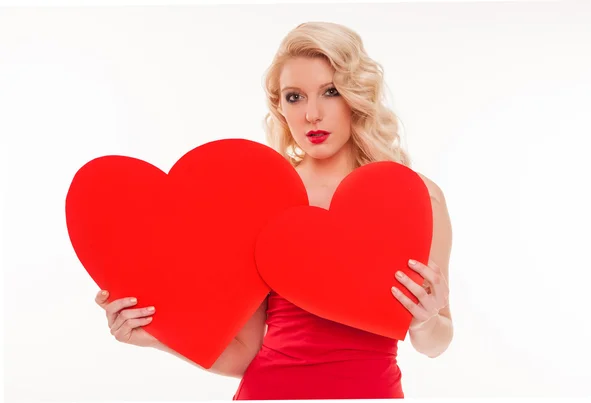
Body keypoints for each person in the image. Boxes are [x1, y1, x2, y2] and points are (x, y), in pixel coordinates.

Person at [94, 21, 454, 399]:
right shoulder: (263, 201)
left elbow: (436, 343)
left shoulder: (416, 200)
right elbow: (243, 354)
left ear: (355, 95)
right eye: (294, 97)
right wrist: (155, 338)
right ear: (279, 107)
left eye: (330, 92)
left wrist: (426, 318)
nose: (311, 114)